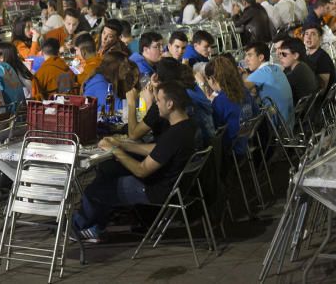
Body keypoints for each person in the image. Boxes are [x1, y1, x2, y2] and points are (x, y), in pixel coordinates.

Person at [73, 82, 198, 244]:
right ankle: (96, 227)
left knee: (94, 190)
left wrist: (114, 151)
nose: (156, 104)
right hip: (174, 186)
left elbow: (141, 170)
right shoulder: (187, 126)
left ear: (170, 104)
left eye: (158, 101)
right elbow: (157, 149)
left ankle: (77, 229)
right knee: (107, 173)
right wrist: (121, 144)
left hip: (155, 189)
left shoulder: (175, 134)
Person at [202, 56, 257, 156]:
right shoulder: (244, 91)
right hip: (247, 140)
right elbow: (256, 112)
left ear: (212, 79)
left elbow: (214, 130)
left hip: (232, 148)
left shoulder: (219, 101)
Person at [241, 42, 294, 129]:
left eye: (249, 55)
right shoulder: (276, 67)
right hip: (288, 124)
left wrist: (242, 73)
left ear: (261, 57)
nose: (246, 59)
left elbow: (238, 89)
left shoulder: (263, 72)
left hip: (276, 126)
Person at [277, 38, 320, 105]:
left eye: (284, 54)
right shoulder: (302, 66)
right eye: (280, 54)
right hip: (311, 109)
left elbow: (280, 88)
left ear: (295, 55)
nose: (280, 57)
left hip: (304, 112)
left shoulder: (297, 72)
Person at [302, 23, 336, 91]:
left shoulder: (322, 58)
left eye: (313, 34)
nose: (308, 37)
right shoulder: (306, 56)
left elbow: (322, 88)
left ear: (320, 38)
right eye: (306, 34)